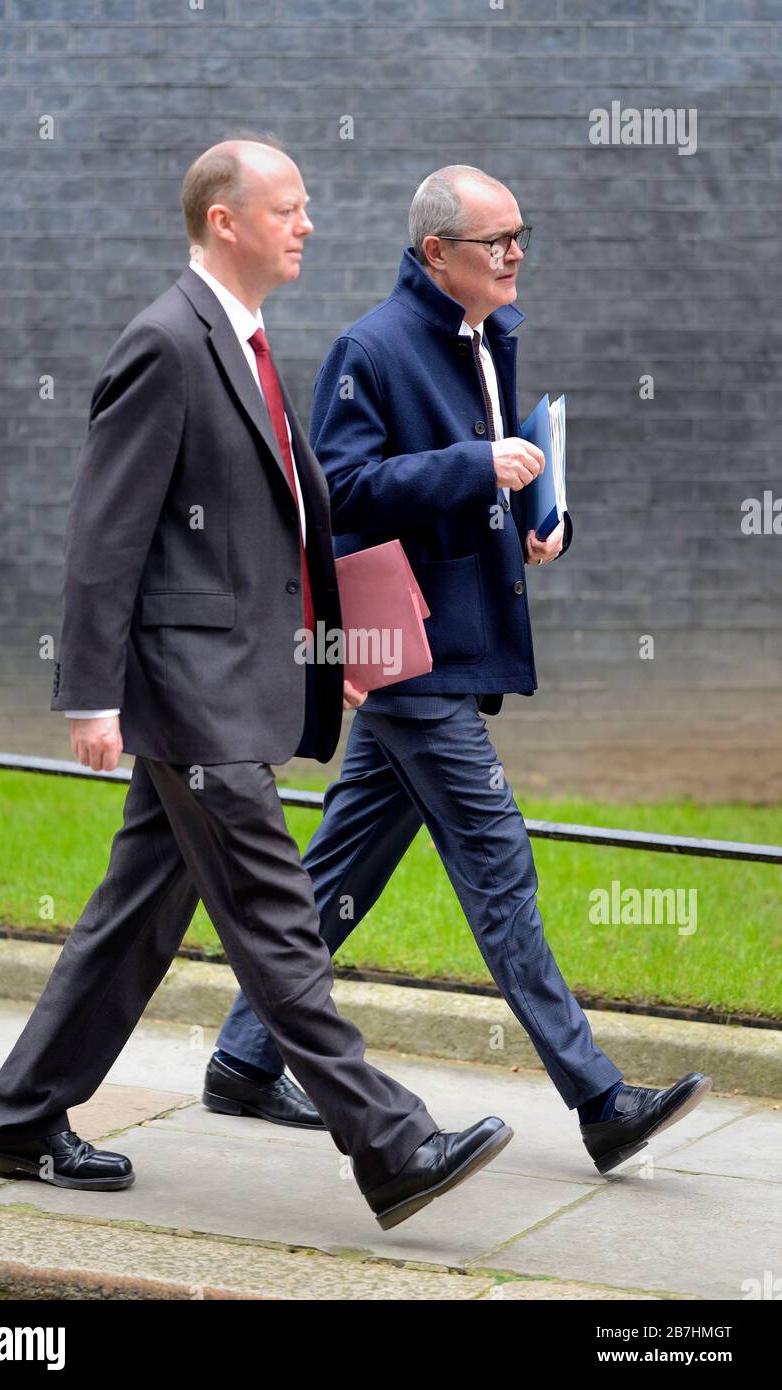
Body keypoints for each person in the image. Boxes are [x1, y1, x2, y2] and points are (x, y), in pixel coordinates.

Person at [0, 140, 514, 1232]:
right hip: (191, 693)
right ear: (226, 221)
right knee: (275, 915)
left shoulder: (247, 340)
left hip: (233, 680)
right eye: (287, 208)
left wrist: (332, 654)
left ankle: (19, 1118)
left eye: (305, 207)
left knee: (136, 916)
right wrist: (90, 697)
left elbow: (286, 535)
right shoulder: (168, 343)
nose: (306, 224)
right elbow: (103, 536)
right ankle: (393, 1142)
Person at [209, 164, 712, 1177]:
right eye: (496, 239)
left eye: (522, 234)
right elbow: (341, 492)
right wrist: (479, 467)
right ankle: (599, 1098)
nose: (516, 252)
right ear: (436, 252)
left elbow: (492, 467)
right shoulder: (374, 347)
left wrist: (541, 518)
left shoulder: (487, 338)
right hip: (409, 660)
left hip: (446, 647)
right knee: (501, 867)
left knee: (336, 874)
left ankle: (243, 1057)